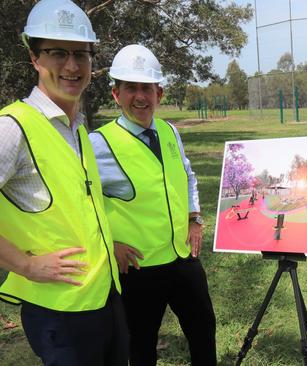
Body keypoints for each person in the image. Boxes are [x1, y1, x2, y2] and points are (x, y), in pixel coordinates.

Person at [0, 0, 127, 365]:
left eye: (81, 54)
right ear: (34, 58)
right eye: (57, 53)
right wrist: (25, 266)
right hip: (59, 312)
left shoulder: (78, 128)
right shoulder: (14, 127)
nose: (72, 66)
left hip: (105, 298)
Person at [89, 44, 216, 366]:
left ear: (159, 93)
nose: (140, 96)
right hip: (138, 268)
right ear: (116, 94)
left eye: (147, 88)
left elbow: (187, 177)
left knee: (203, 331)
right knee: (141, 345)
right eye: (131, 88)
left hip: (182, 256)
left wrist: (195, 218)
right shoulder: (97, 144)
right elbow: (79, 203)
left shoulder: (170, 131)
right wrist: (108, 246)